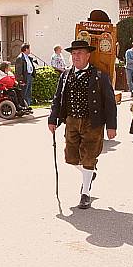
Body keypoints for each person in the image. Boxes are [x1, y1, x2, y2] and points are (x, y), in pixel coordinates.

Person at [48, 40, 117, 210]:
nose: (76, 56)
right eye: (73, 53)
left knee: (88, 157)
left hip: (92, 122)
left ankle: (85, 193)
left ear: (88, 55)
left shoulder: (99, 76)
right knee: (71, 158)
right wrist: (52, 119)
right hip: (71, 120)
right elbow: (58, 98)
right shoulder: (65, 75)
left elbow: (109, 102)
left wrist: (111, 126)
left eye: (80, 53)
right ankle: (90, 172)